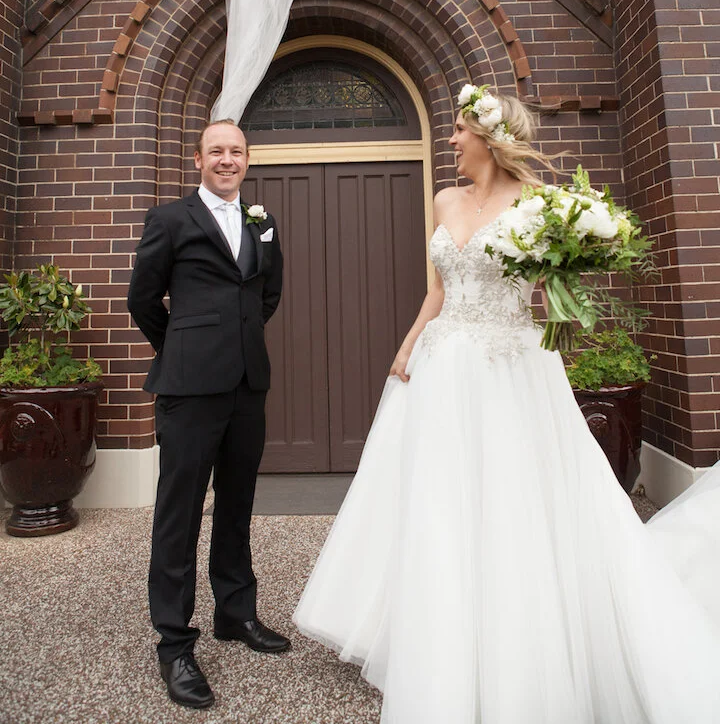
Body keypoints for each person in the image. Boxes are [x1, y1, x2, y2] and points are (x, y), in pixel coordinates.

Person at [293, 85, 720, 724]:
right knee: (440, 499)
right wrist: (406, 348)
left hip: (512, 364)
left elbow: (554, 284)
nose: (453, 141)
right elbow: (437, 290)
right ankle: (439, 641)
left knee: (517, 495)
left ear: (490, 139)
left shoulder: (541, 204)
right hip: (444, 363)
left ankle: (520, 641)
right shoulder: (443, 199)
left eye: (461, 131)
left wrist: (575, 269)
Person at [128, 119, 288, 710]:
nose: (227, 160)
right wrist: (183, 346)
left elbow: (267, 294)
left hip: (248, 384)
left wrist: (237, 341)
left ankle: (235, 613)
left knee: (238, 503)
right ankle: (174, 642)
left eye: (236, 151)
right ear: (197, 159)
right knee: (180, 510)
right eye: (216, 151)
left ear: (249, 159)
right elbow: (141, 297)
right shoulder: (170, 220)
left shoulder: (263, 221)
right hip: (190, 387)